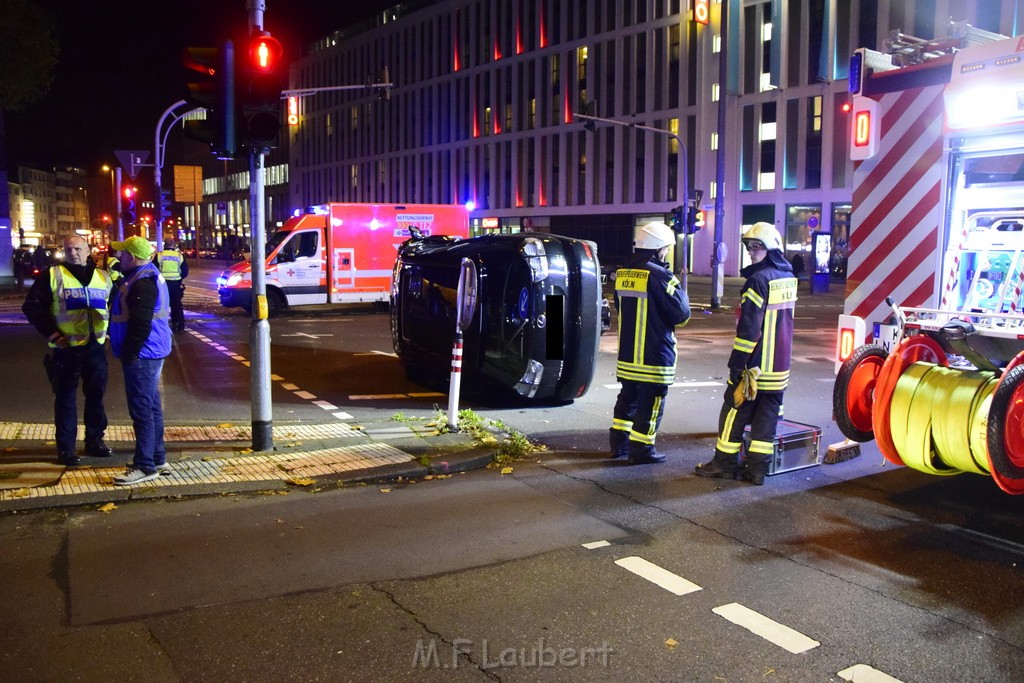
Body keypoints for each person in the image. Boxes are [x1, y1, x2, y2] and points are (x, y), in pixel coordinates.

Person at [695, 222, 797, 486]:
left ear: (771, 249)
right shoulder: (787, 277)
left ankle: (723, 464)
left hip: (755, 367)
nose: (751, 253)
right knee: (767, 417)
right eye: (749, 248)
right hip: (779, 365)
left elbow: (750, 329)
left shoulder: (757, 281)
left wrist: (737, 363)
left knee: (733, 410)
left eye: (757, 248)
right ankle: (757, 470)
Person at [21, 235, 115, 466]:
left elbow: (113, 307)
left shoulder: (104, 277)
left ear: (87, 250)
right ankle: (66, 449)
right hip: (67, 349)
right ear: (64, 251)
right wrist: (53, 334)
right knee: (65, 400)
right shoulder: (52, 276)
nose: (74, 252)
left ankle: (95, 441)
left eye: (78, 248)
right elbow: (31, 307)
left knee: (96, 398)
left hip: (95, 348)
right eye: (69, 249)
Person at [609, 221, 691, 464]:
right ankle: (642, 451)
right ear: (657, 249)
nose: (665, 253)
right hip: (654, 354)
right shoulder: (660, 276)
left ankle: (619, 445)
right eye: (665, 248)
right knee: (651, 402)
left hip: (627, 355)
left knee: (628, 398)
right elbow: (681, 314)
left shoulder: (623, 273)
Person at [108, 236, 173, 486]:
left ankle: (144, 465)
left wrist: (129, 352)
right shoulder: (146, 275)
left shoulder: (142, 282)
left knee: (142, 409)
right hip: (151, 349)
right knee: (151, 406)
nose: (119, 257)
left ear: (133, 257)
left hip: (143, 353)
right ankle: (156, 458)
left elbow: (140, 324)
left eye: (123, 254)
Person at [157, 238, 188, 333]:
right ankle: (180, 326)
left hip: (163, 284)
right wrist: (179, 278)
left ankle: (165, 326)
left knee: (163, 305)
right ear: (173, 245)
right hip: (176, 284)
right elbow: (185, 271)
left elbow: (154, 270)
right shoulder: (179, 255)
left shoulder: (159, 255)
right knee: (177, 305)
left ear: (164, 245)